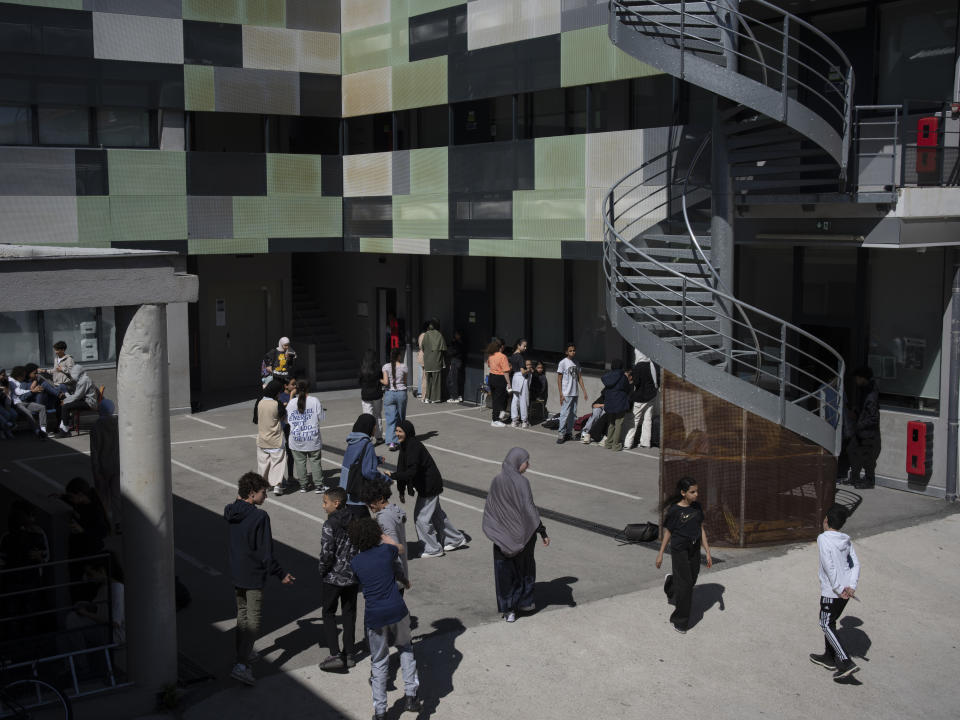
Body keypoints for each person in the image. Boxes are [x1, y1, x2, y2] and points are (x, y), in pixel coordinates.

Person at [224, 472, 295, 686]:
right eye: (264, 493)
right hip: (254, 574)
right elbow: (266, 552)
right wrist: (281, 573)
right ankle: (242, 665)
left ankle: (242, 654)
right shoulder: (259, 517)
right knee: (252, 621)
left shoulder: (231, 511)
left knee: (243, 616)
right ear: (252, 494)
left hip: (238, 572)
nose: (266, 496)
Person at [347, 518, 421, 720]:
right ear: (375, 533)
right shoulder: (387, 551)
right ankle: (411, 696)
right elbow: (400, 550)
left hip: (375, 616)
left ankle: (380, 711)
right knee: (406, 648)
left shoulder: (356, 562)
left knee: (379, 661)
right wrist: (386, 538)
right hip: (397, 610)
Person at [482, 448, 549, 623]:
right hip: (523, 538)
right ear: (518, 462)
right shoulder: (522, 482)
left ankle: (508, 610)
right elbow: (529, 509)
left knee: (504, 574)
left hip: (501, 537)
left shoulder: (496, 481)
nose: (528, 465)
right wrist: (542, 531)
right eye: (526, 461)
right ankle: (524, 603)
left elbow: (491, 509)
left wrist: (497, 530)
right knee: (523, 571)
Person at [384, 420, 466, 559]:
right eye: (396, 431)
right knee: (436, 515)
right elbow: (402, 467)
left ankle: (433, 548)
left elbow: (410, 472)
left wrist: (393, 476)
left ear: (408, 432)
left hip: (429, 486)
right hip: (427, 485)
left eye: (400, 431)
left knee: (421, 518)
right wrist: (401, 490)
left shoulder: (413, 447)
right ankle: (455, 539)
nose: (397, 434)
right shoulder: (405, 445)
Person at [810, 503, 861, 680]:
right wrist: (851, 586)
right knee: (831, 621)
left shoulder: (823, 538)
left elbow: (828, 565)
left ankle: (845, 661)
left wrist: (838, 589)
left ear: (826, 520)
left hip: (833, 592)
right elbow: (855, 564)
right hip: (847, 591)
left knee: (825, 623)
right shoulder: (845, 539)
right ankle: (829, 657)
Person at [656, 477, 712, 634]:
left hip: (694, 549)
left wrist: (707, 551)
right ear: (683, 493)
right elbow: (669, 532)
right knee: (686, 586)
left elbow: (701, 529)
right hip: (680, 550)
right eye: (692, 492)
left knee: (692, 579)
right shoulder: (675, 511)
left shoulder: (697, 507)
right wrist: (660, 554)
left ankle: (671, 582)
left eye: (697, 491)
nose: (696, 495)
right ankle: (680, 621)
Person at [318, 487, 360, 672]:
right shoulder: (355, 519)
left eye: (325, 502)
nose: (323, 506)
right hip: (353, 576)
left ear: (336, 503)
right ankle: (350, 653)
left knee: (328, 613)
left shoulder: (330, 525)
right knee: (349, 613)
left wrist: (322, 570)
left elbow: (327, 552)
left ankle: (335, 654)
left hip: (333, 577)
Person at [362, 477, 409, 590]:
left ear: (381, 499)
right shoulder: (394, 510)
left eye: (370, 502)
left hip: (392, 576)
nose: (369, 506)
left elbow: (392, 548)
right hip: (401, 572)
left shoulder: (384, 518)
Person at [339, 414, 389, 518]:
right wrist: (385, 479)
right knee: (364, 529)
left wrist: (376, 459)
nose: (375, 429)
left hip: (345, 490)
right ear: (369, 427)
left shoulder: (352, 440)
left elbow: (356, 460)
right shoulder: (368, 444)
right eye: (375, 426)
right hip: (357, 495)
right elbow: (368, 472)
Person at [286, 380, 324, 494]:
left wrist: (291, 396)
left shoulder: (292, 403)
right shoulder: (314, 400)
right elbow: (321, 417)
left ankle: (303, 485)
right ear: (308, 388)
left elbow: (287, 419)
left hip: (296, 438)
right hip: (312, 438)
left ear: (296, 389)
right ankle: (319, 485)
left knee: (300, 462)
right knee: (315, 461)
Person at [847, 366, 880, 489]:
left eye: (857, 378)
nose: (855, 380)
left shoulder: (871, 395)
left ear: (862, 378)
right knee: (851, 450)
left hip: (868, 432)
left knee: (868, 458)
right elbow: (864, 409)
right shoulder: (864, 390)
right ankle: (854, 478)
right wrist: (856, 409)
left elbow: (873, 417)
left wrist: (860, 425)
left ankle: (869, 481)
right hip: (861, 430)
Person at [254, 380, 286, 496]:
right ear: (275, 392)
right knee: (277, 462)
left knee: (263, 463)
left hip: (262, 438)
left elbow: (255, 420)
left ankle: (262, 486)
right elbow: (283, 418)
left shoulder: (259, 402)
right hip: (276, 438)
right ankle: (277, 485)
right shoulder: (277, 404)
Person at [623, 351, 659, 449]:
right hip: (651, 396)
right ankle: (645, 443)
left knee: (634, 420)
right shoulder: (652, 364)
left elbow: (637, 383)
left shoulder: (638, 367)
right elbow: (656, 381)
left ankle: (628, 443)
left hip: (640, 397)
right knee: (647, 420)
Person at [556, 342, 588, 444]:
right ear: (566, 352)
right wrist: (561, 394)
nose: (573, 352)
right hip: (566, 392)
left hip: (575, 393)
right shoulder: (563, 363)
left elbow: (579, 378)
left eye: (574, 350)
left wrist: (584, 391)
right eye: (570, 350)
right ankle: (561, 434)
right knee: (564, 414)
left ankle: (569, 433)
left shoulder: (576, 363)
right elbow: (559, 379)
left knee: (572, 414)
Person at [58, 364, 103, 433]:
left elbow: (77, 396)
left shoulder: (84, 381)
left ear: (78, 373)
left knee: (65, 407)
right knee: (66, 405)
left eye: (74, 373)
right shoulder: (84, 378)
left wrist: (65, 400)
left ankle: (65, 430)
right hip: (85, 400)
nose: (73, 376)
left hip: (89, 403)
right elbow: (78, 395)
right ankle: (64, 425)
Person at [9, 366, 48, 439]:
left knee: (42, 407)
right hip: (16, 404)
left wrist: (34, 384)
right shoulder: (11, 381)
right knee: (28, 413)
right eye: (23, 375)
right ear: (18, 375)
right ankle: (36, 430)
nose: (24, 377)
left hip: (24, 402)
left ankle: (43, 430)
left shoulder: (19, 381)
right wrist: (32, 391)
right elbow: (18, 392)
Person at [600, 359, 631, 451]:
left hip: (610, 402)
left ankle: (608, 443)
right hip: (620, 402)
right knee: (619, 423)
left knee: (611, 423)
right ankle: (615, 445)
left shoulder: (608, 376)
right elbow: (627, 388)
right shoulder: (623, 376)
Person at [381, 347, 408, 451]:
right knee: (401, 418)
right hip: (401, 393)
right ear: (399, 356)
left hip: (389, 394)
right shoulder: (404, 366)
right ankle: (400, 440)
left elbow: (386, 382)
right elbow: (405, 382)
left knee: (390, 419)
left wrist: (380, 380)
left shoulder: (385, 366)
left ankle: (391, 442)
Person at [359, 349, 385, 445]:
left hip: (366, 395)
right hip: (377, 394)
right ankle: (379, 437)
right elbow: (381, 378)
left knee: (367, 416)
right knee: (377, 415)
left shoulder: (362, 368)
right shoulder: (378, 367)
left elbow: (359, 381)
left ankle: (368, 437)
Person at [419, 320, 446, 404]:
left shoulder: (426, 334)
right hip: (436, 360)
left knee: (428, 380)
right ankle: (435, 398)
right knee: (436, 381)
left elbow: (422, 346)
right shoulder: (439, 335)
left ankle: (427, 398)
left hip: (427, 360)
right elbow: (444, 348)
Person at [486, 338, 510, 427]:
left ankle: (496, 418)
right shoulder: (503, 356)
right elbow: (506, 371)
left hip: (492, 377)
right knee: (498, 400)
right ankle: (495, 420)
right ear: (502, 346)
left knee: (495, 399)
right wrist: (509, 383)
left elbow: (489, 365)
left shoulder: (491, 355)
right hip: (500, 378)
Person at [509, 341, 531, 428]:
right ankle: (524, 421)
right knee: (523, 399)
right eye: (524, 346)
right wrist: (528, 370)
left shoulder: (512, 356)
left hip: (515, 377)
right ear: (518, 346)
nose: (525, 348)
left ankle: (514, 420)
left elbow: (510, 367)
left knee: (515, 399)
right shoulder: (520, 357)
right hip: (521, 378)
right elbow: (523, 371)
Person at [445, 330, 466, 404]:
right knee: (458, 379)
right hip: (459, 362)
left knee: (453, 380)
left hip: (456, 361)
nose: (455, 335)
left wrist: (450, 348)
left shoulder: (457, 343)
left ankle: (455, 397)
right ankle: (459, 396)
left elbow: (452, 352)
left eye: (456, 334)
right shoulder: (462, 342)